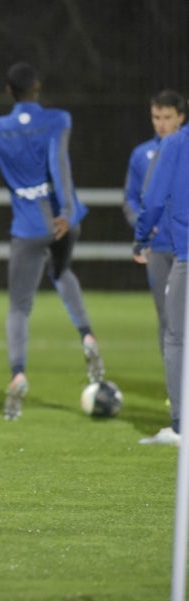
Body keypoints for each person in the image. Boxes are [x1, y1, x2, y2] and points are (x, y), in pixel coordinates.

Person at [0, 62, 105, 421]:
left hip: (27, 226)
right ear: (37, 87)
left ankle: (18, 373)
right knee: (62, 270)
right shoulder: (59, 118)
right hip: (65, 219)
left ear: (9, 90)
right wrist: (66, 209)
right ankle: (86, 335)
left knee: (19, 307)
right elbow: (58, 162)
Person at [134, 119, 189, 446]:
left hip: (186, 254)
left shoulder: (175, 143)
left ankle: (181, 426)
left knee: (175, 337)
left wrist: (141, 236)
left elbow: (153, 198)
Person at [123, 90, 186, 356]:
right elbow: (131, 198)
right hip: (159, 247)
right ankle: (173, 388)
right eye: (156, 117)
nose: (161, 123)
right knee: (167, 317)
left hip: (184, 245)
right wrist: (142, 224)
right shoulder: (142, 154)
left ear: (180, 117)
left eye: (167, 117)